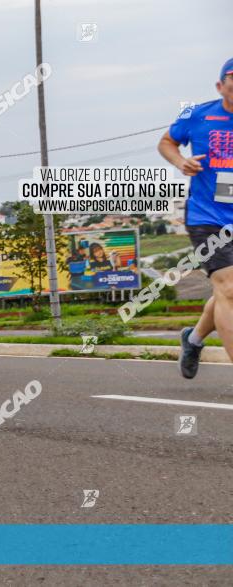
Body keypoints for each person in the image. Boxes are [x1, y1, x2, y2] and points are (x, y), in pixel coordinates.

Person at [159, 57, 233, 379]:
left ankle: (193, 339)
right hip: (208, 216)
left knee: (226, 293)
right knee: (228, 288)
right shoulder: (197, 115)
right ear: (220, 87)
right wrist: (180, 162)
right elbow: (167, 142)